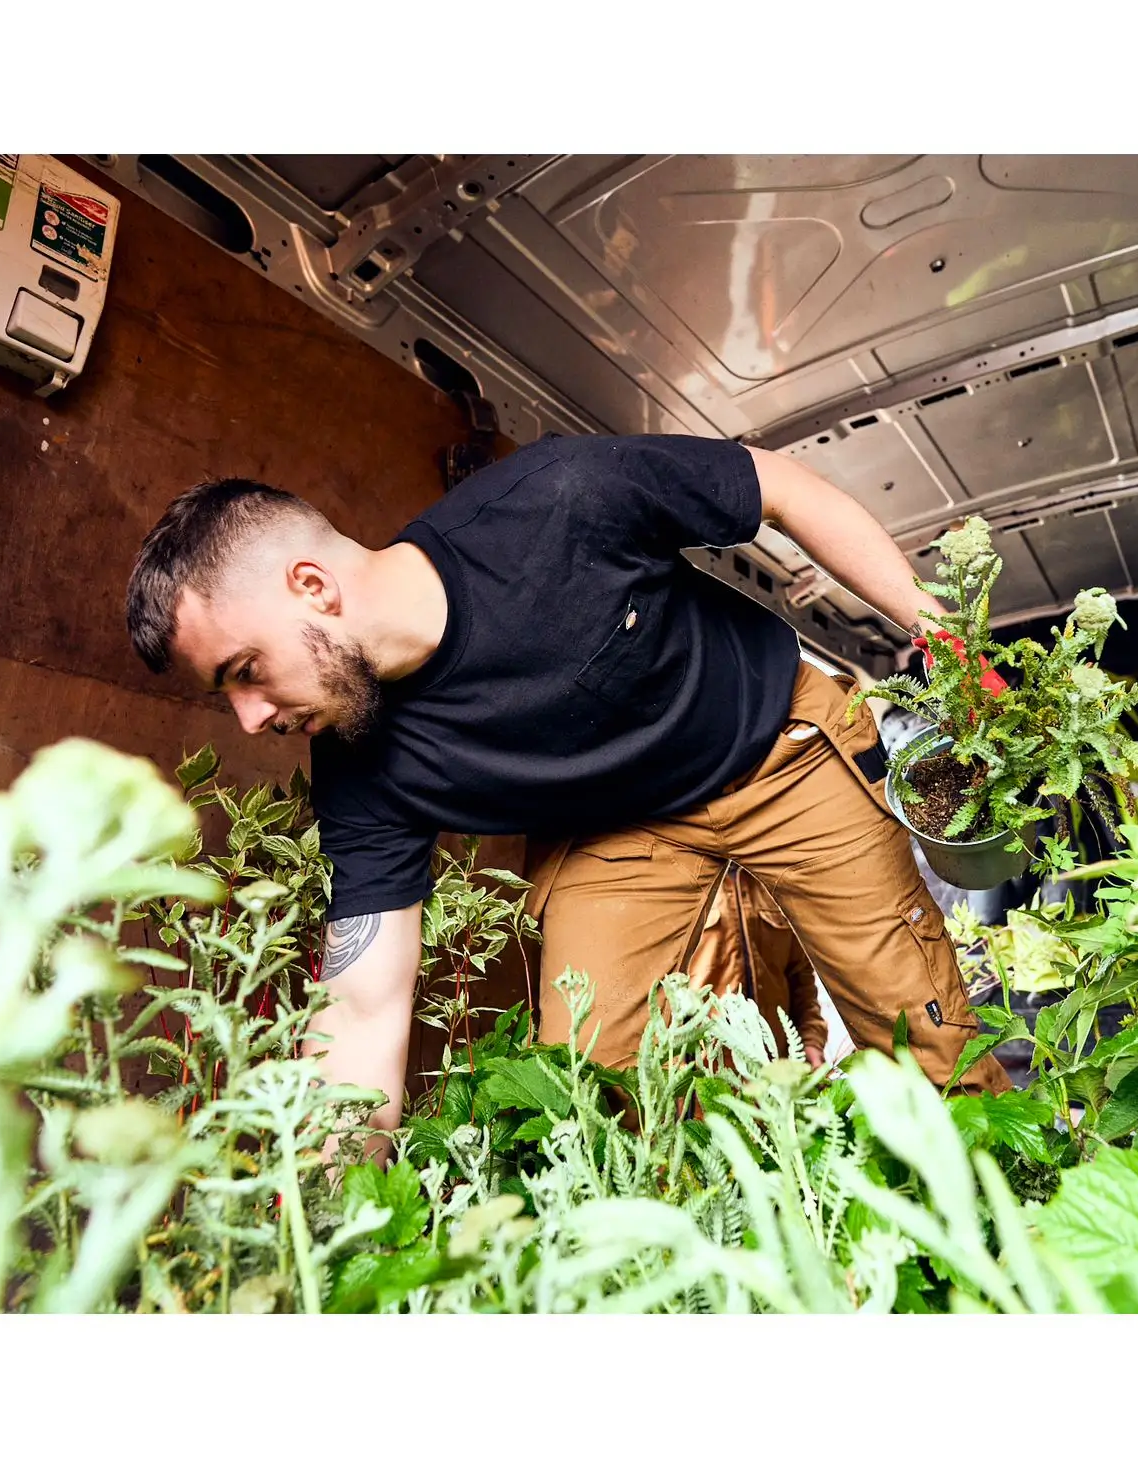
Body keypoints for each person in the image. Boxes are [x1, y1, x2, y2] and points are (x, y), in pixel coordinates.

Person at [125, 434, 1011, 1133]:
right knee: (593, 1091)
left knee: (919, 1030)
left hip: (772, 747)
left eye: (244, 670)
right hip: (614, 832)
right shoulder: (358, 764)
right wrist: (323, 1204)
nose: (248, 719)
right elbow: (364, 1007)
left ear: (312, 587)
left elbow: (777, 484)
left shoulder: (558, 497)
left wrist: (946, 638)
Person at [684, 862, 830, 1068]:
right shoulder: (683, 885)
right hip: (707, 1075)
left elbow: (801, 978)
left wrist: (811, 1042)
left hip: (776, 1073)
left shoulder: (777, 882)